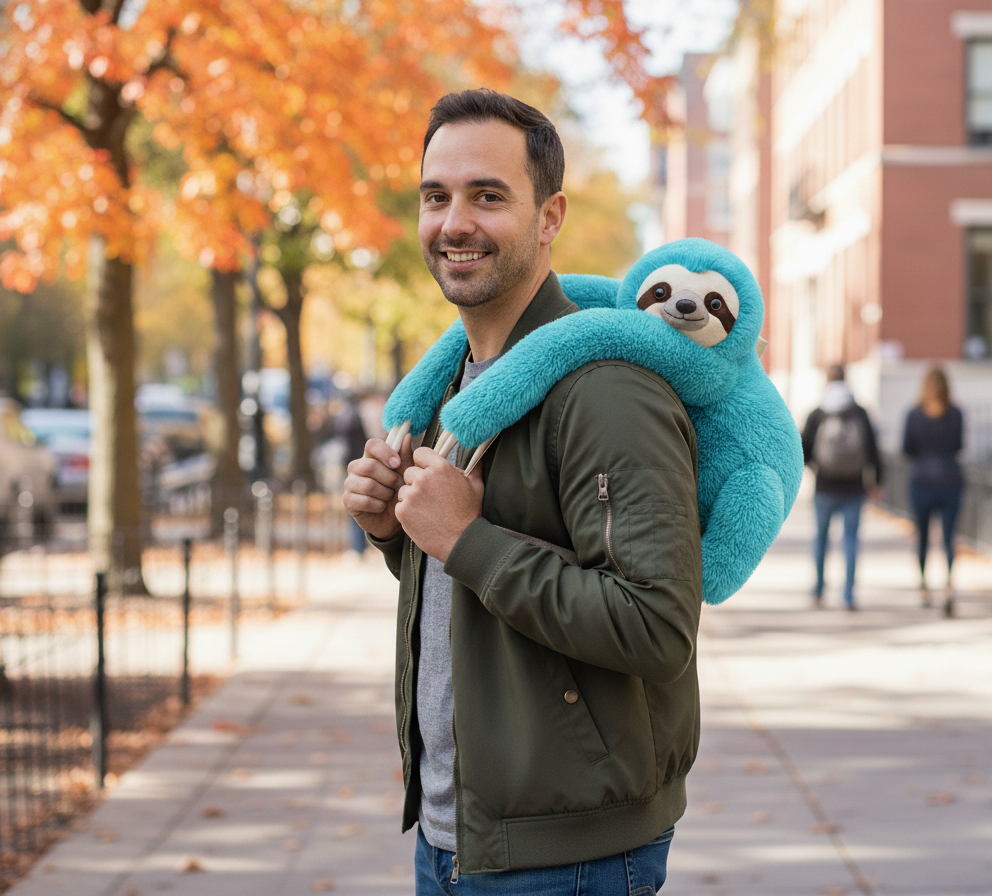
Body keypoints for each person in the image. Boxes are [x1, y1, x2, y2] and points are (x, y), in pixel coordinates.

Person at [343, 89, 702, 894]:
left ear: (549, 217)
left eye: (487, 196)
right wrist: (396, 531)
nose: (453, 222)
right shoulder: (453, 389)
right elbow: (479, 600)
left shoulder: (608, 390)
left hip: (568, 856)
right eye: (436, 197)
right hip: (454, 834)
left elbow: (655, 625)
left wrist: (467, 539)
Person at [801, 363, 883, 610]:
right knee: (850, 541)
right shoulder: (859, 412)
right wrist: (877, 480)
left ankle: (818, 589)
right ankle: (847, 595)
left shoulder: (818, 412)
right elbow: (872, 448)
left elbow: (804, 449)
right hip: (854, 487)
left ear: (827, 380)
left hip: (825, 485)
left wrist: (814, 468)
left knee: (821, 539)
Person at [902, 366, 965, 616]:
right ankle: (948, 585)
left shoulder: (914, 414)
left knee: (923, 536)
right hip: (951, 479)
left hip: (922, 481)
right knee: (950, 537)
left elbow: (907, 448)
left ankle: (924, 586)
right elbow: (959, 445)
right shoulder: (956, 414)